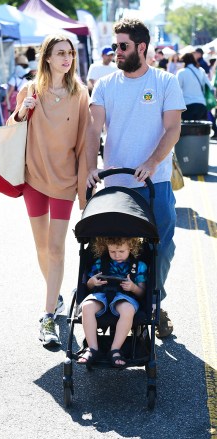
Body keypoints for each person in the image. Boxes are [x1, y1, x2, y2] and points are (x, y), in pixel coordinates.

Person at [86, 17, 186, 339]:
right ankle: (112, 302)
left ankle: (154, 304)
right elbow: (92, 129)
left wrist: (153, 161)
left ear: (141, 47)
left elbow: (173, 128)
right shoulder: (105, 85)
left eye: (123, 46)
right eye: (116, 46)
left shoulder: (165, 82)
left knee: (162, 248)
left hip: (154, 183)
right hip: (117, 185)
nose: (117, 51)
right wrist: (91, 166)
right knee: (113, 249)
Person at [7, 34, 89, 348]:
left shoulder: (80, 93)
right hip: (33, 178)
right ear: (48, 58)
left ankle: (48, 315)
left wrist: (84, 190)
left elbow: (83, 144)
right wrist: (21, 112)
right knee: (41, 247)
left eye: (70, 53)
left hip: (65, 181)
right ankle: (53, 294)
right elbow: (11, 131)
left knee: (56, 248)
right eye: (60, 54)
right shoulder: (30, 90)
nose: (67, 59)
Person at [77, 237, 147, 367]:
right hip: (101, 293)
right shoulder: (100, 262)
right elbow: (88, 285)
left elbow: (142, 292)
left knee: (128, 309)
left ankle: (115, 350)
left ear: (130, 248)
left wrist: (133, 287)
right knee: (87, 306)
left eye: (121, 251)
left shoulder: (139, 266)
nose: (117, 255)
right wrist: (92, 282)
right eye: (112, 252)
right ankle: (92, 348)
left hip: (125, 296)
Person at [176, 52, 213, 121]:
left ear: (184, 62)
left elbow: (176, 90)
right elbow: (210, 86)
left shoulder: (181, 72)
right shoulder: (201, 70)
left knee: (188, 130)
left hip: (187, 105)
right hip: (201, 104)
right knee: (201, 130)